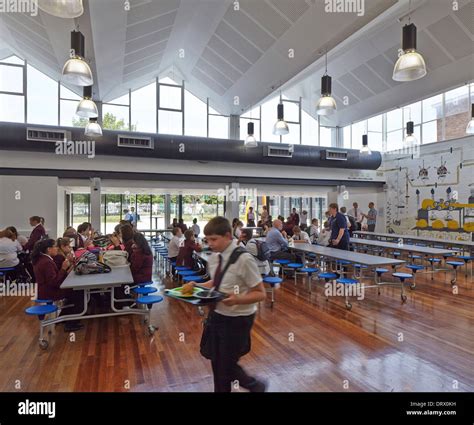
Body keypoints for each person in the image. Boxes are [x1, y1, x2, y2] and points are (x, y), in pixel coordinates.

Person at [182, 216, 266, 392]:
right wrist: (196, 285)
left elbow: (261, 293)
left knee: (226, 365)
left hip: (238, 319)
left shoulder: (244, 259)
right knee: (217, 363)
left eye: (214, 239)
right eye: (207, 239)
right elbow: (216, 282)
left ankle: (255, 386)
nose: (210, 244)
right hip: (217, 315)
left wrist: (237, 299)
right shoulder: (215, 258)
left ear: (228, 235)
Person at [31, 239, 83, 332]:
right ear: (48, 249)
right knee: (79, 293)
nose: (57, 249)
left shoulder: (43, 259)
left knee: (75, 292)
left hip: (45, 290)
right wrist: (63, 268)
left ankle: (65, 317)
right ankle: (71, 323)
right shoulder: (46, 262)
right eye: (55, 247)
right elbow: (54, 282)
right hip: (50, 292)